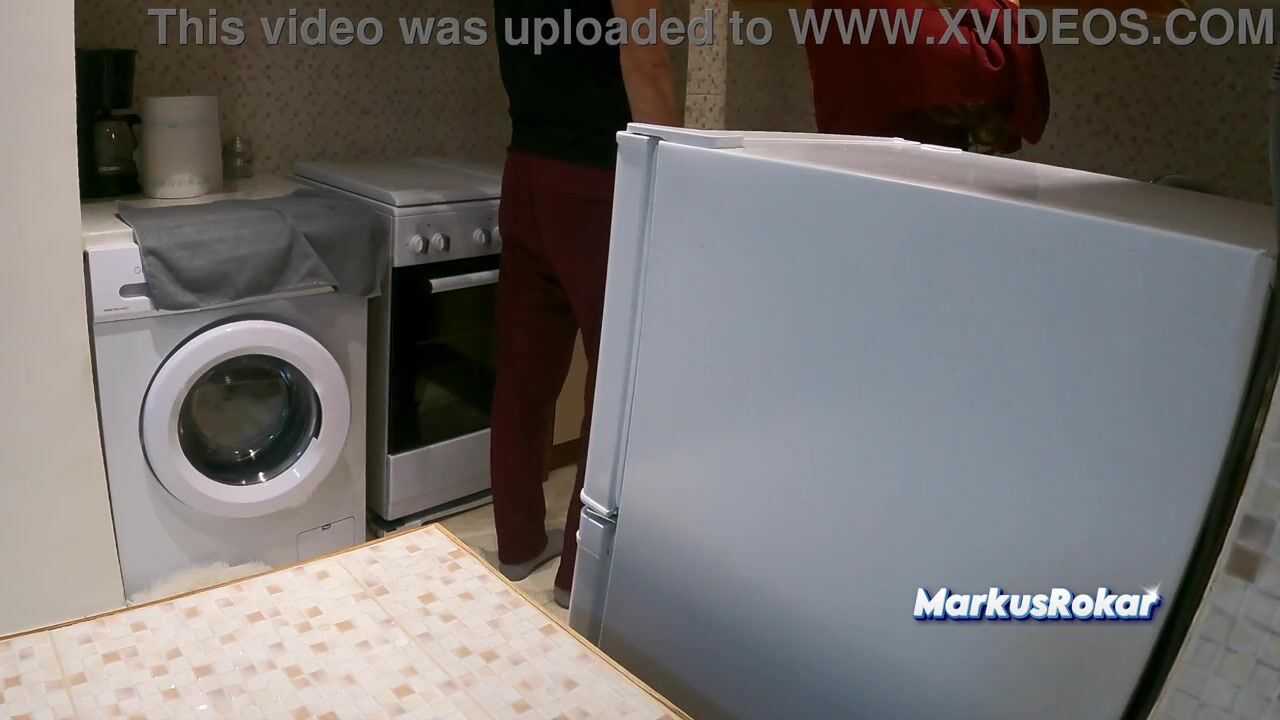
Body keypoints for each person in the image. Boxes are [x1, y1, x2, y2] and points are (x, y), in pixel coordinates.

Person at [489, 0, 680, 608]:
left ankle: (518, 542)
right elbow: (647, 61)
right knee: (616, 373)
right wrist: (673, 171)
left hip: (526, 167)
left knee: (524, 369)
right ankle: (582, 574)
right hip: (598, 176)